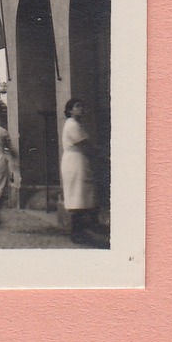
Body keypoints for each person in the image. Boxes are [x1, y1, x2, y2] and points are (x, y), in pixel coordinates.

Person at [61, 98, 100, 245]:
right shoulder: (72, 125)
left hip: (78, 161)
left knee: (81, 196)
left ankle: (80, 232)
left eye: (82, 106)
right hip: (75, 162)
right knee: (78, 197)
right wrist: (102, 152)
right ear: (70, 110)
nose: (81, 108)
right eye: (77, 106)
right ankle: (77, 233)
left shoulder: (76, 124)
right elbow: (86, 143)